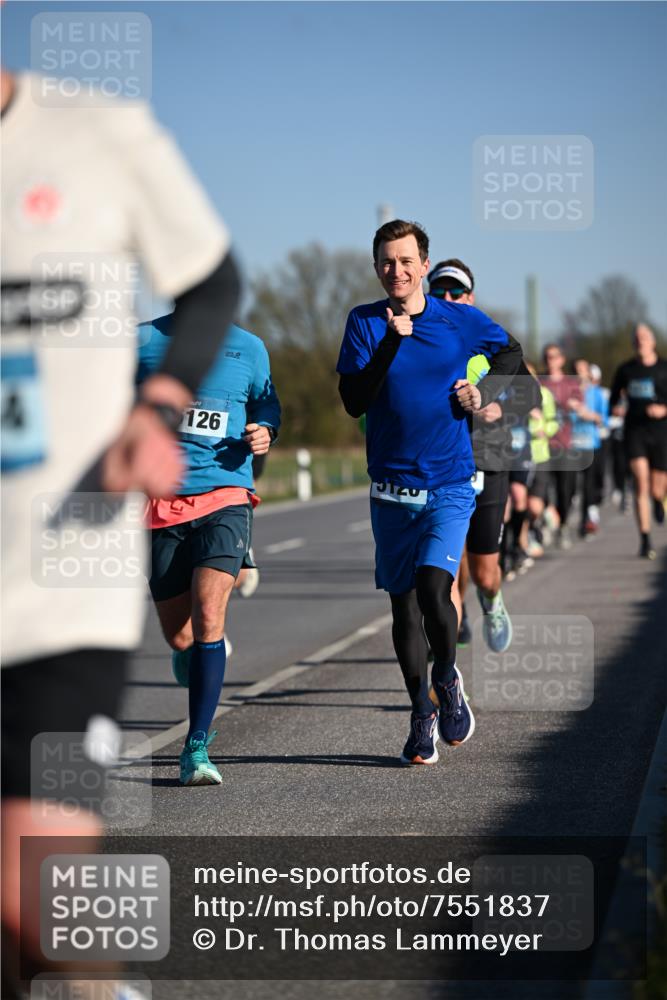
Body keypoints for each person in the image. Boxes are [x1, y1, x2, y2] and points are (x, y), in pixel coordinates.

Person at [1, 66, 240, 998]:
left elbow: (213, 280)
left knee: (35, 887)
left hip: (64, 576)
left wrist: (161, 404)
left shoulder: (97, 130)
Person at [337, 220, 523, 765]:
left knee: (434, 589)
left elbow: (510, 352)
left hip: (449, 482)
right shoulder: (365, 324)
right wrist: (390, 346)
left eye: (406, 260)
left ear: (423, 263)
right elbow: (355, 401)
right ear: (377, 268)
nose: (396, 270)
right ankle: (421, 712)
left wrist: (482, 392)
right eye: (386, 262)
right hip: (391, 490)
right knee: (403, 609)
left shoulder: (458, 319)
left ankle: (447, 676)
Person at [137, 314, 281, 784]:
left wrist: (265, 428)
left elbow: (267, 402)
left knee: (208, 615)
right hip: (161, 503)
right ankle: (195, 656)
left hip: (226, 496)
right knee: (179, 636)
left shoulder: (249, 347)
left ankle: (195, 747)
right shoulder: (143, 341)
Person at [427, 259, 539, 651]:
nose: (447, 298)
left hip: (488, 461)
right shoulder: (421, 340)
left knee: (484, 571)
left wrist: (499, 408)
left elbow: (532, 394)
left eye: (456, 292)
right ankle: (447, 669)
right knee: (445, 569)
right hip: (440, 468)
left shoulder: (489, 340)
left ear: (470, 297)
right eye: (439, 290)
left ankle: (491, 600)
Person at [610, 323, 667, 559]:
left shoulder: (665, 368)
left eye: (644, 337)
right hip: (635, 430)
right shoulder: (626, 370)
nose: (640, 341)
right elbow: (613, 400)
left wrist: (664, 409)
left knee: (656, 487)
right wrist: (616, 409)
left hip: (662, 431)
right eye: (637, 338)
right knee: (640, 483)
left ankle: (658, 499)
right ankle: (645, 539)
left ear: (652, 341)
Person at [540, 344, 585, 549]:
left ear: (561, 360)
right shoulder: (539, 383)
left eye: (554, 356)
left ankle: (564, 524)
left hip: (565, 443)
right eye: (547, 357)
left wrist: (575, 405)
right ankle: (547, 519)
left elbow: (579, 404)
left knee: (564, 489)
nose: (550, 360)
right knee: (542, 488)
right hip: (542, 444)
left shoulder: (570, 383)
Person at [572, 359, 608, 536]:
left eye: (582, 370)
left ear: (588, 373)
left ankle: (585, 520)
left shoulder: (597, 393)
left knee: (589, 485)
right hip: (570, 445)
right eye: (576, 370)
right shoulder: (568, 393)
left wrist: (591, 416)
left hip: (590, 444)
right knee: (570, 487)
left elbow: (604, 419)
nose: (579, 373)